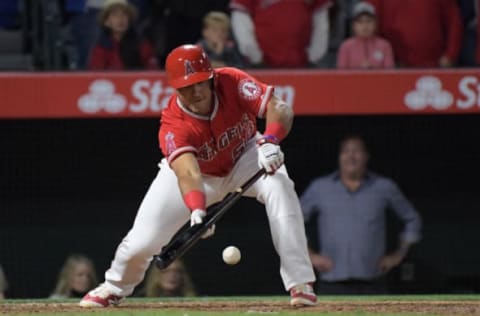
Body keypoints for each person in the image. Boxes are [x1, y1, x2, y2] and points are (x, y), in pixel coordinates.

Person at [79, 44, 317, 308]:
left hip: (246, 155)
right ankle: (113, 287)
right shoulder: (174, 124)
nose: (194, 91)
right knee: (141, 242)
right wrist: (197, 209)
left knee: (280, 187)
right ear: (175, 88)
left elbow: (279, 107)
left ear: (211, 76)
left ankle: (300, 283)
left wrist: (271, 140)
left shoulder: (232, 81)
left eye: (200, 82)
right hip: (198, 175)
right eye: (186, 86)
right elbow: (187, 171)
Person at [301, 135, 422, 294]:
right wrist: (310, 255)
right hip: (331, 282)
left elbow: (412, 219)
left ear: (366, 156)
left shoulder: (383, 186)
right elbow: (292, 221)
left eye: (356, 151)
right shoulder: (320, 188)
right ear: (339, 157)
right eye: (346, 151)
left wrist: (398, 255)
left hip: (373, 281)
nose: (351, 156)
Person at [230, 0, 331, 67]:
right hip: (263, 65)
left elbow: (320, 20)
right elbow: (241, 20)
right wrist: (256, 58)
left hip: (302, 63)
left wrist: (313, 56)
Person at [366, 0, 463, 67]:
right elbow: (366, 23)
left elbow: (453, 22)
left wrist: (450, 55)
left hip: (435, 65)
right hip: (393, 66)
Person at [88, 0, 157, 70]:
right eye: (115, 15)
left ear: (129, 20)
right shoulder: (100, 47)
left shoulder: (142, 44)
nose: (120, 19)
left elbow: (152, 70)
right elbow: (95, 74)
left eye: (124, 14)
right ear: (106, 22)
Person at [337, 2, 394, 69]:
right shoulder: (346, 47)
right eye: (360, 22)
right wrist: (359, 70)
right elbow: (341, 74)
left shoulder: (384, 46)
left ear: (375, 24)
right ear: (353, 25)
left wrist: (372, 69)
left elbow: (390, 73)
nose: (365, 25)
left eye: (369, 21)